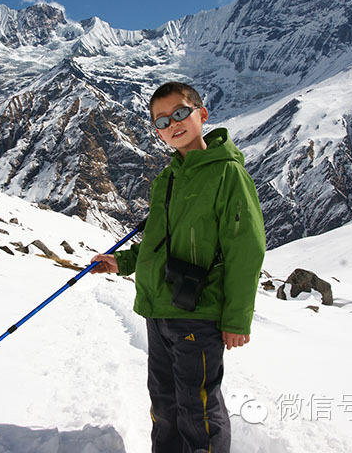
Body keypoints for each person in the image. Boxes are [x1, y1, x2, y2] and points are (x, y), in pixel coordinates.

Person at [91, 81, 266, 453]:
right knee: (164, 404)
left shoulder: (227, 175)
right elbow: (157, 242)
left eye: (181, 113)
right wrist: (120, 261)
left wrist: (237, 320)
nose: (173, 124)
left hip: (198, 315)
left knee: (198, 408)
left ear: (202, 114)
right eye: (162, 121)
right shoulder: (168, 179)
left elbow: (246, 248)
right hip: (159, 310)